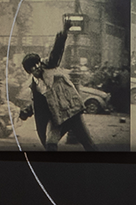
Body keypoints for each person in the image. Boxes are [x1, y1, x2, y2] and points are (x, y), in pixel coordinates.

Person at [18, 22, 96, 151]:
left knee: (88, 144)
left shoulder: (50, 66)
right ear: (29, 71)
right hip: (57, 117)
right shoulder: (35, 85)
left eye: (37, 64)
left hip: (72, 112)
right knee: (50, 144)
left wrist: (63, 33)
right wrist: (26, 112)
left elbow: (57, 51)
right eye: (33, 67)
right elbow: (38, 103)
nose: (37, 68)